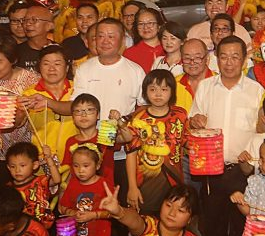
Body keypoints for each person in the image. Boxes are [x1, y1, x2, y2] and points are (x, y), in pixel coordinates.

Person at [189, 36, 265, 236]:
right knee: (213, 228)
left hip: (243, 171)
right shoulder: (206, 87)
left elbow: (261, 131)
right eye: (224, 57)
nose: (229, 62)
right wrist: (195, 121)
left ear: (244, 60)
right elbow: (193, 119)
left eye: (235, 57)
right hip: (212, 171)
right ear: (216, 59)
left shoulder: (256, 90)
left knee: (242, 228)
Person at [70, 18, 146, 203]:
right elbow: (76, 106)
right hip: (89, 149)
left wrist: (125, 121)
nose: (105, 41)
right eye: (100, 36)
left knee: (120, 202)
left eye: (111, 36)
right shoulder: (84, 69)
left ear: (122, 39)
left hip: (121, 150)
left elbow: (144, 107)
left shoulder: (135, 70)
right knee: (91, 201)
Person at [0, 37, 40, 191]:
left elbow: (29, 117)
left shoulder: (30, 80)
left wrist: (19, 113)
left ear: (13, 60)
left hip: (21, 157)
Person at [120, 69, 189, 214]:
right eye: (153, 89)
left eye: (164, 89)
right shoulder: (138, 118)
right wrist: (132, 187)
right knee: (145, 221)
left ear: (172, 92)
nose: (158, 94)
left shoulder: (180, 115)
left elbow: (186, 142)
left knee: (172, 219)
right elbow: (131, 153)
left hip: (174, 180)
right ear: (145, 92)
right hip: (145, 182)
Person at [20, 45, 76, 168]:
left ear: (67, 68)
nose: (51, 69)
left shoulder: (76, 89)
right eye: (46, 64)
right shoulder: (30, 94)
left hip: (76, 159)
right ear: (39, 67)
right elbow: (18, 122)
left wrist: (48, 102)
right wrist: (20, 110)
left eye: (57, 64)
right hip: (43, 161)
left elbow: (75, 108)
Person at [58, 93, 115, 182]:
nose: (83, 115)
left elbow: (127, 139)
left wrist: (118, 121)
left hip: (104, 189)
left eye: (89, 110)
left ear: (98, 115)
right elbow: (68, 170)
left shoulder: (106, 133)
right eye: (78, 111)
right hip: (79, 192)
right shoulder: (71, 141)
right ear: (73, 118)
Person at [5, 141, 59, 230]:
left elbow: (56, 180)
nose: (17, 170)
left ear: (35, 165)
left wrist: (49, 159)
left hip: (43, 227)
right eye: (13, 166)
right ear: (8, 167)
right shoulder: (8, 188)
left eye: (22, 165)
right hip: (21, 230)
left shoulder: (40, 181)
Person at [187, 0, 253, 53]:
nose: (214, 7)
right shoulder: (195, 31)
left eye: (219, 3)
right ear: (205, 6)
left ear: (227, 6)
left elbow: (248, 55)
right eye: (210, 3)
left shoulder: (240, 31)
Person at [175, 38, 212, 114]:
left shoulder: (219, 83)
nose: (192, 63)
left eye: (197, 58)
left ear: (207, 58)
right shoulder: (173, 85)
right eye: (187, 58)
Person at [15, 4, 55, 74]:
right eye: (25, 20)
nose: (28, 23)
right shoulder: (15, 52)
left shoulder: (59, 51)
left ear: (49, 26)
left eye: (34, 20)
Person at [124, 7, 165, 73]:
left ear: (159, 26)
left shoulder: (169, 48)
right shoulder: (129, 54)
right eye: (141, 24)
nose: (145, 27)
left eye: (150, 23)